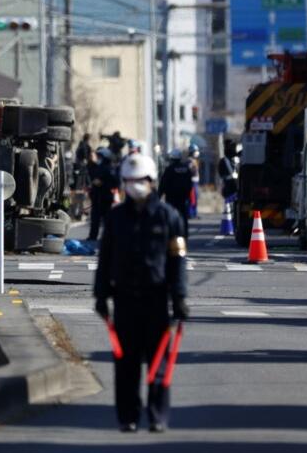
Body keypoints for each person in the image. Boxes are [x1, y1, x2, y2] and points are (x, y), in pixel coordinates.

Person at [94, 153, 188, 433]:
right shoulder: (115, 218)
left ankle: (158, 416)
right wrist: (100, 295)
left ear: (152, 182)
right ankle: (128, 417)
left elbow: (178, 260)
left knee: (158, 362)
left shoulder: (169, 217)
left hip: (157, 299)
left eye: (140, 180)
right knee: (126, 364)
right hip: (124, 301)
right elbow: (105, 258)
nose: (134, 185)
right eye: (129, 181)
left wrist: (180, 297)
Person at [158, 149, 194, 238]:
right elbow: (190, 183)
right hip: (183, 197)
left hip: (171, 198)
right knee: (183, 216)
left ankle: (172, 235)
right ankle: (184, 234)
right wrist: (187, 194)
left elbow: (163, 183)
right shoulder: (186, 169)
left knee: (170, 216)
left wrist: (158, 196)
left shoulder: (169, 169)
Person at [87, 147, 119, 242]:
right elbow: (91, 176)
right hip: (97, 198)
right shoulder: (96, 167)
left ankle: (108, 238)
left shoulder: (110, 168)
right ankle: (93, 237)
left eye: (100, 156)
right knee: (95, 220)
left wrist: (103, 183)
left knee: (107, 220)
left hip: (106, 198)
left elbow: (115, 183)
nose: (98, 157)